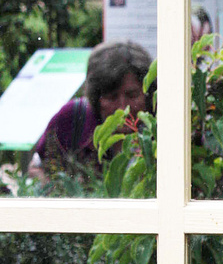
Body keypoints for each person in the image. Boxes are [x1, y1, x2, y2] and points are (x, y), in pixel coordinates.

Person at [29, 40, 153, 179]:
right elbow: (36, 169)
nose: (123, 107)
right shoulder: (71, 119)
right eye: (111, 98)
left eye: (133, 95)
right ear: (96, 98)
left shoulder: (159, 125)